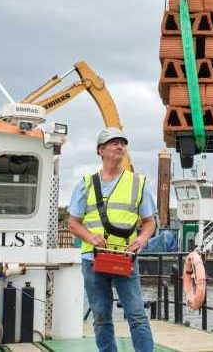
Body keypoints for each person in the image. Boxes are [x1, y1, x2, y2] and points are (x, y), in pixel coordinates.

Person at [67, 127, 157, 352]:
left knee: (137, 314)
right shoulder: (85, 184)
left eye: (122, 143)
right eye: (114, 142)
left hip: (125, 258)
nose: (120, 146)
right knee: (101, 316)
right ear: (101, 150)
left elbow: (149, 221)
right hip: (93, 259)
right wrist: (90, 237)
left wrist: (143, 239)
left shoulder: (139, 183)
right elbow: (73, 223)